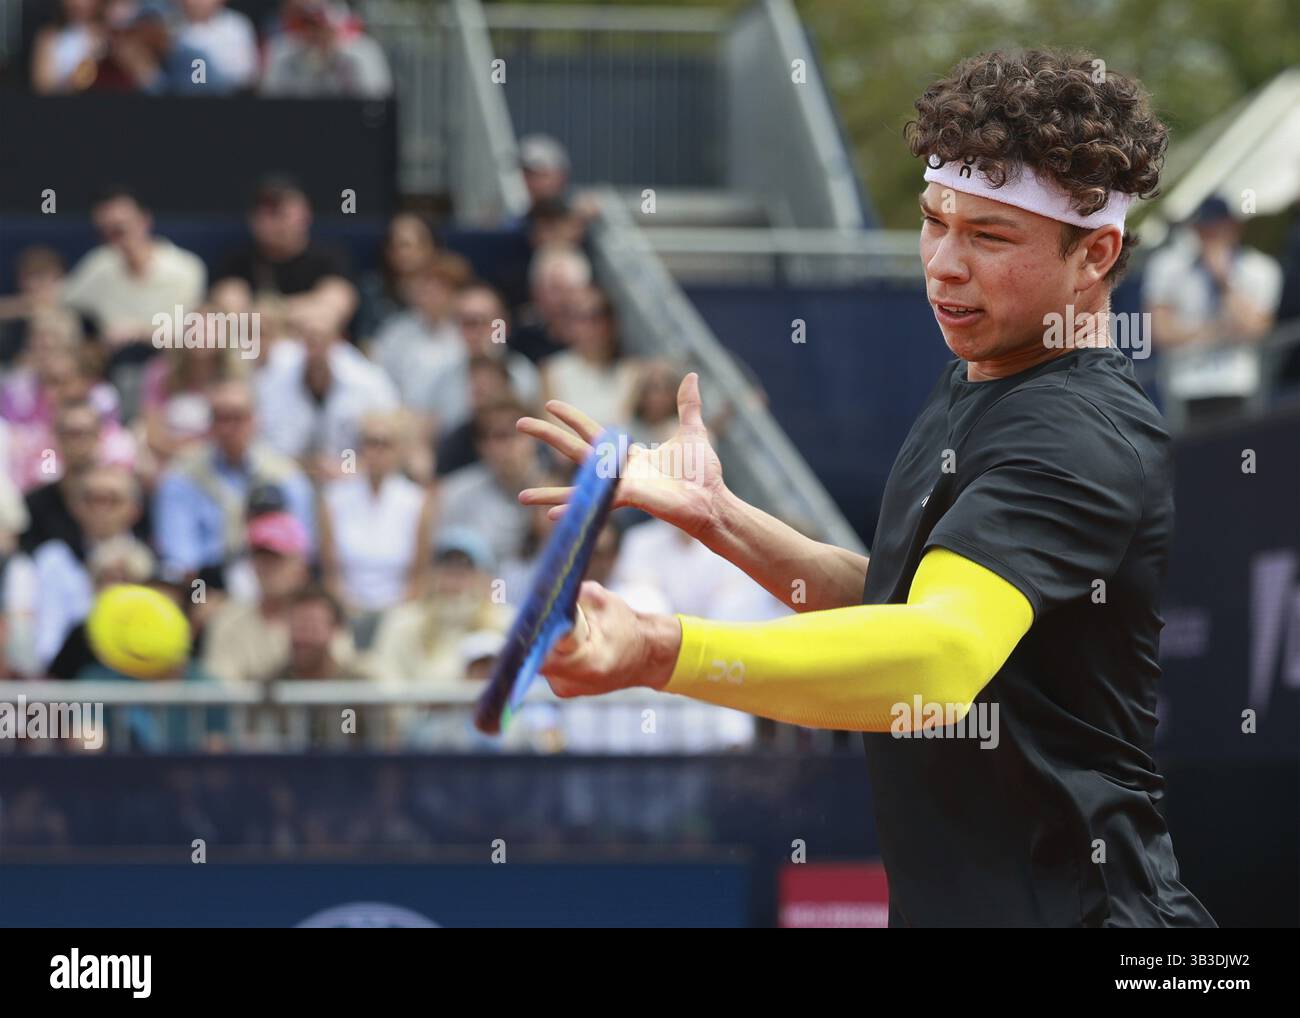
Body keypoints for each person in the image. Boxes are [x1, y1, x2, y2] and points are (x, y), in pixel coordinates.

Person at [518, 49, 1216, 928]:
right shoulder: (980, 375)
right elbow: (902, 605)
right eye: (933, 222)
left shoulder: (1077, 431)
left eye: (989, 236)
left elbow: (937, 659)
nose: (943, 264)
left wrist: (662, 652)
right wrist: (721, 520)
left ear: (1095, 254)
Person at [1144, 196, 1283, 424]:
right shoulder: (1168, 267)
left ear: (1233, 228)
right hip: (1186, 387)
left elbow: (1256, 329)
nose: (1208, 237)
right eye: (1202, 230)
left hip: (1238, 384)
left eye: (1215, 229)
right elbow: (1159, 331)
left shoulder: (1260, 269)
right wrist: (1215, 332)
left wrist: (1224, 280)